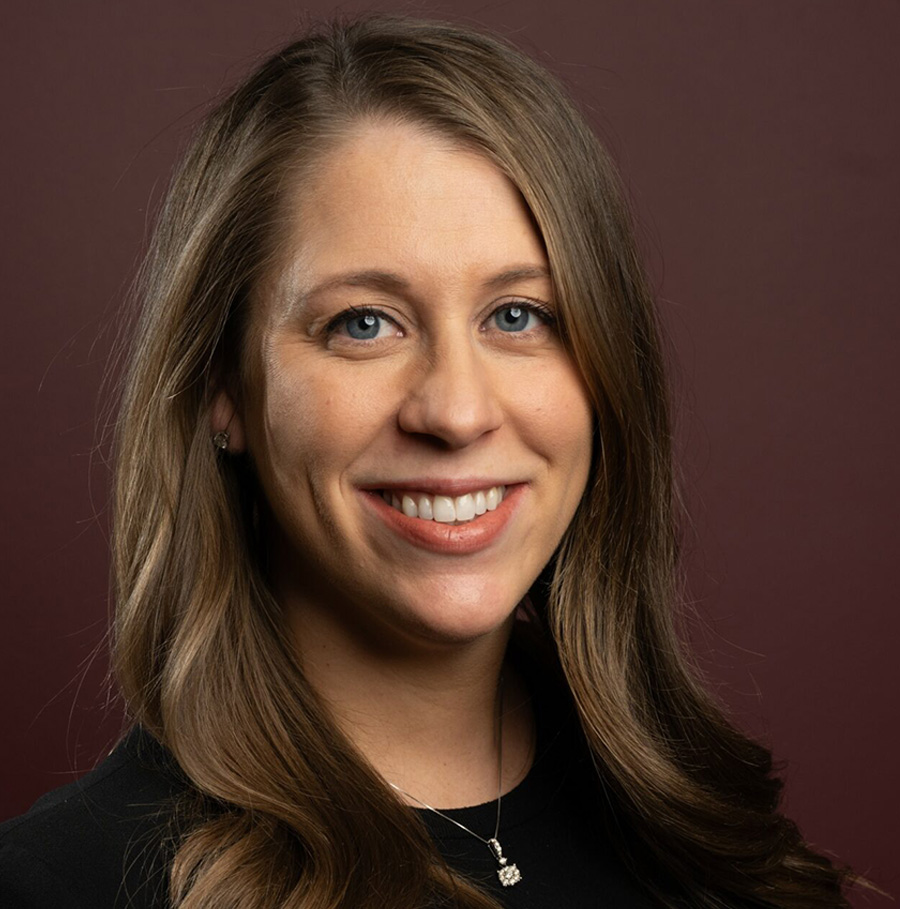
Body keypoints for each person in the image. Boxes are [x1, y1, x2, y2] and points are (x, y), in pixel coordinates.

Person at [0, 14, 855, 909]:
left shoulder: (714, 844)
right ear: (224, 385)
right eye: (364, 322)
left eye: (519, 315)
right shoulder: (64, 884)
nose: (455, 410)